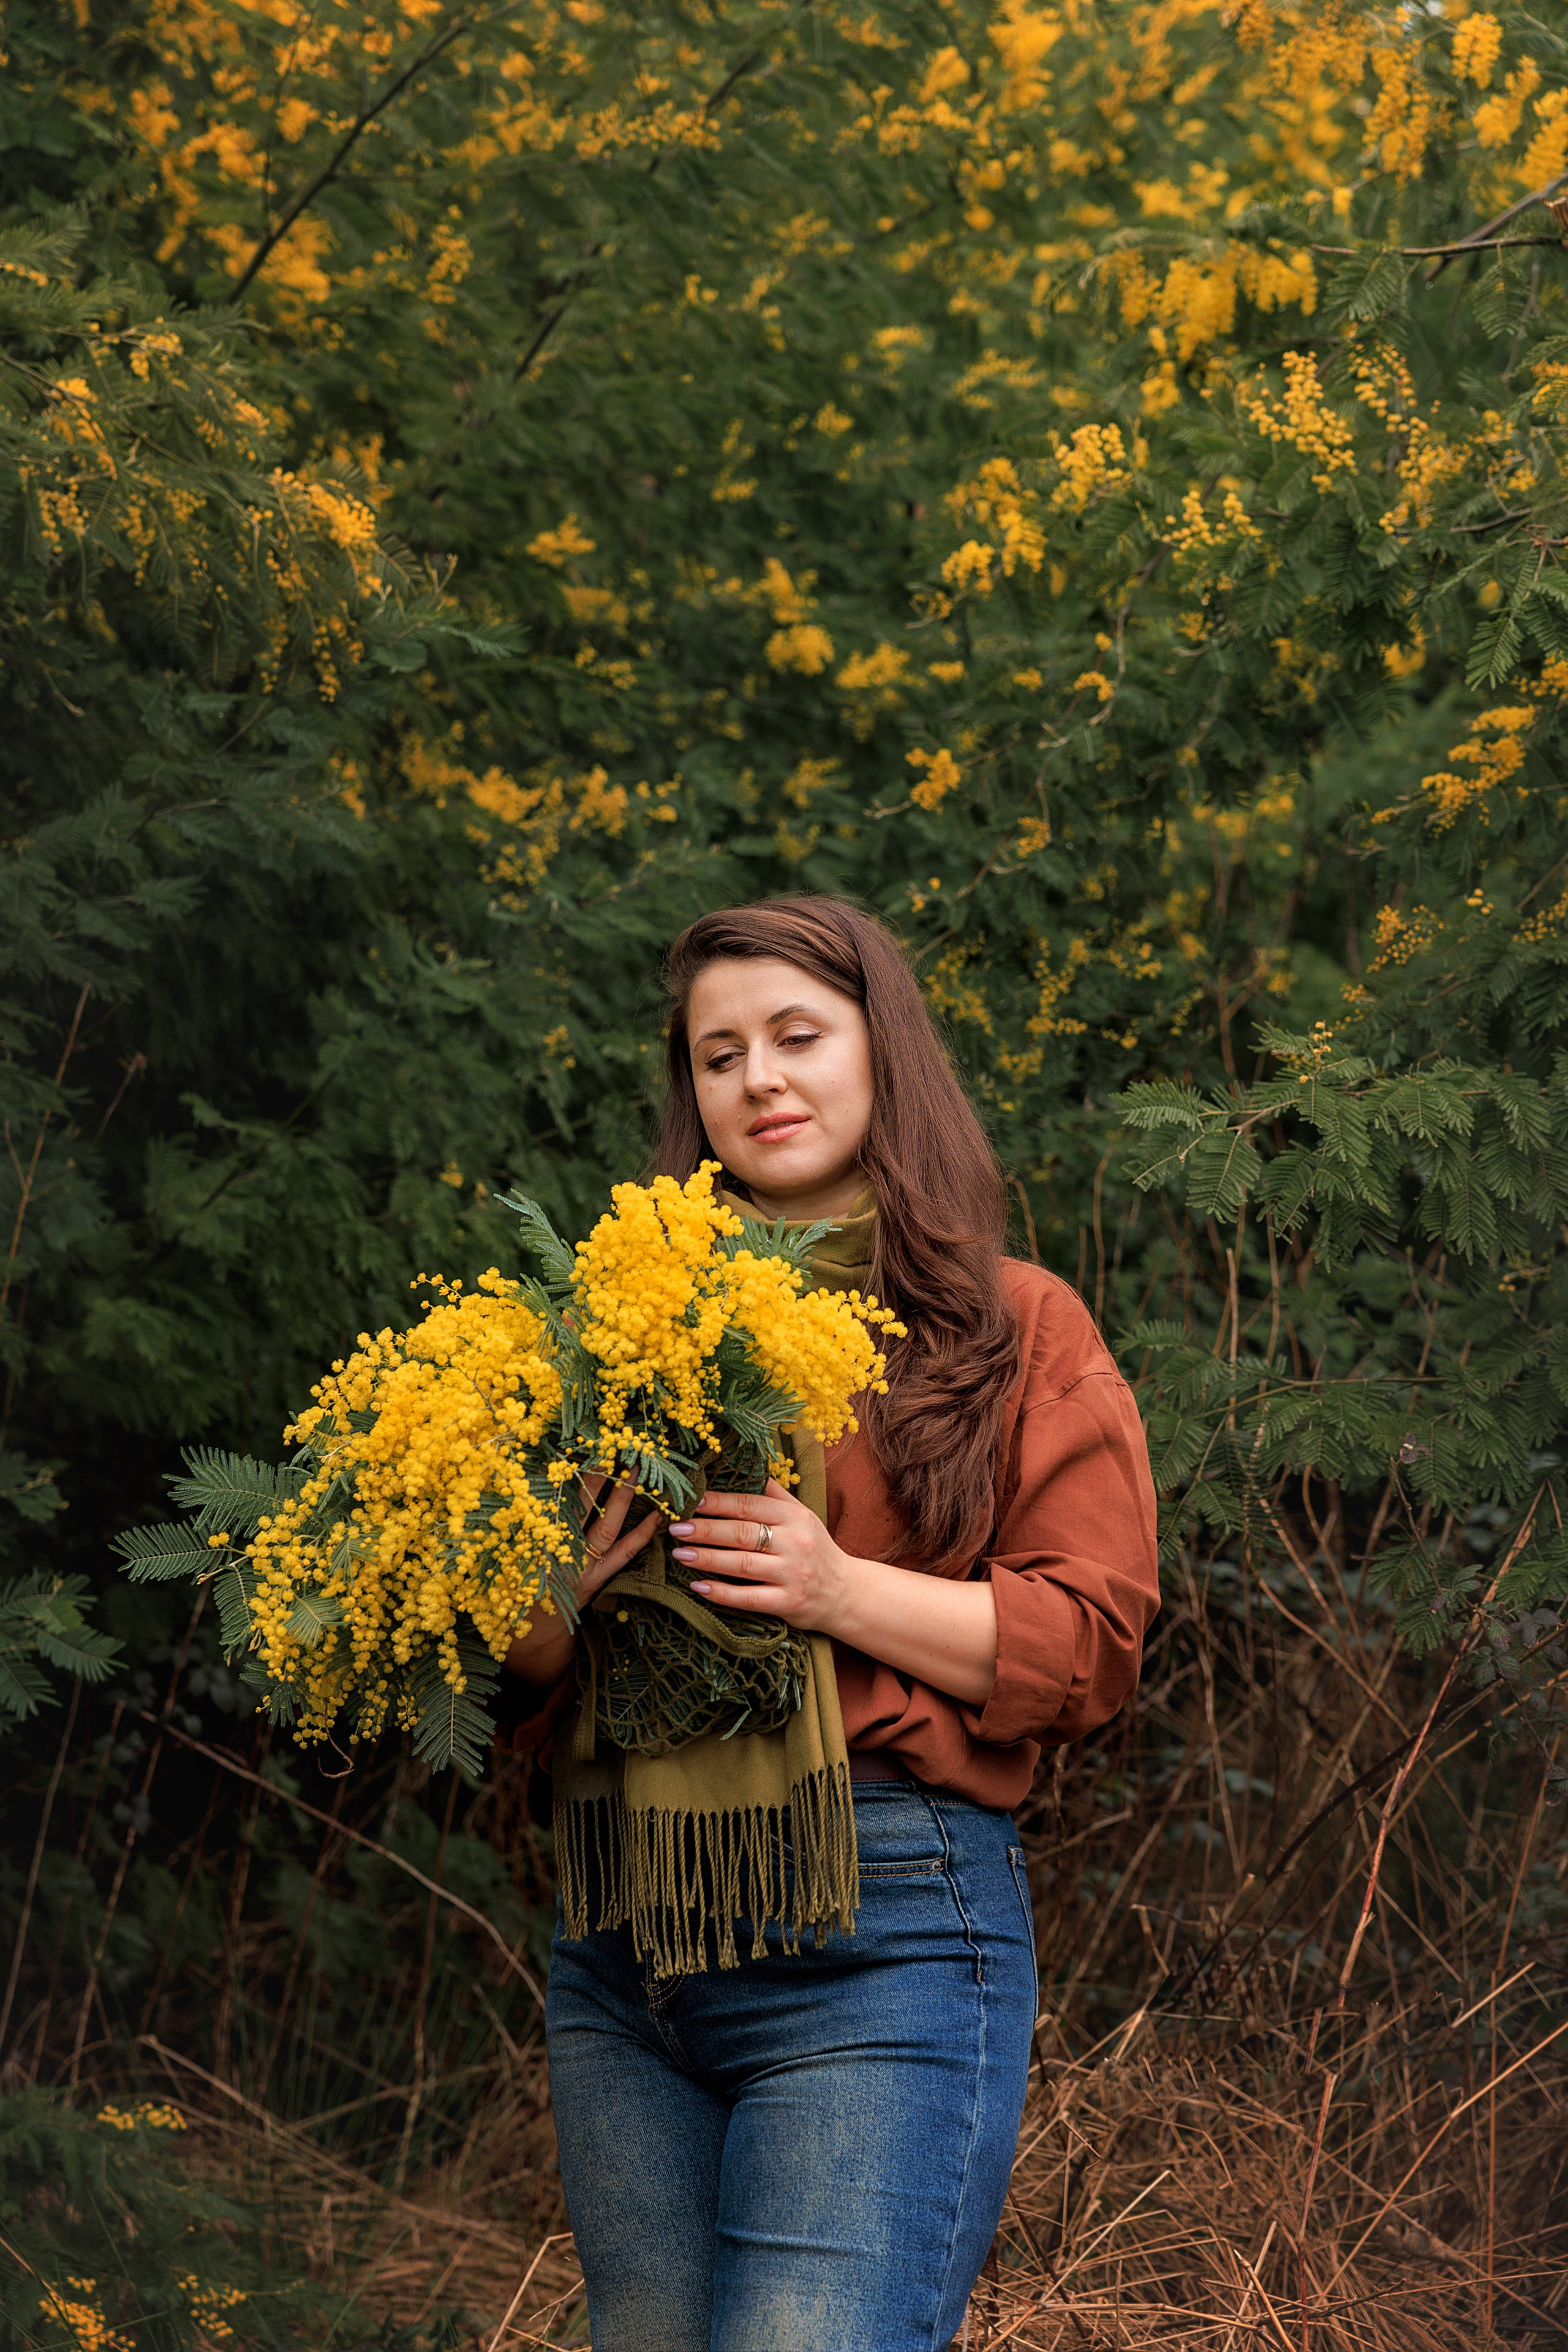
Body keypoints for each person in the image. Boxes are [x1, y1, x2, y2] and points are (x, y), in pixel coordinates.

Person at [499, 895, 1159, 2352]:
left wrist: (832, 1588)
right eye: (717, 1055)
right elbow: (528, 1692)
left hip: (886, 1936)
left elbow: (1091, 1641)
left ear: (882, 1057)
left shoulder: (1010, 1327)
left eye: (797, 1036)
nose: (758, 1081)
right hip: (626, 1948)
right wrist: (539, 1612)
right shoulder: (609, 1332)